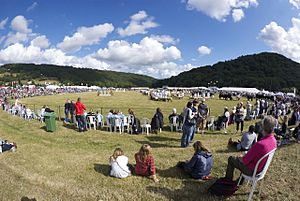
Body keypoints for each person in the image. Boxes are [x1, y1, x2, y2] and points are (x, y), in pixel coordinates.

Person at [225, 116, 277, 182]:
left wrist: (241, 157)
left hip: (253, 170)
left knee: (231, 159)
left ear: (262, 127)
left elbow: (244, 161)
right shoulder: (273, 141)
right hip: (262, 169)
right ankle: (240, 181)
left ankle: (227, 180)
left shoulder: (260, 144)